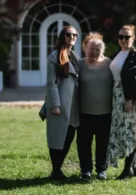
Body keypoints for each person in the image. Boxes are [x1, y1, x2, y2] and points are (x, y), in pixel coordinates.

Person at [106, 25, 136, 179]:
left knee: (131, 134)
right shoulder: (118, 54)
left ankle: (127, 170)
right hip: (116, 98)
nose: (124, 40)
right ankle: (133, 166)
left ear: (133, 38)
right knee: (123, 133)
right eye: (121, 37)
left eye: (127, 37)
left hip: (129, 99)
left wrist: (131, 99)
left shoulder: (135, 56)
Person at [45, 25, 81, 180]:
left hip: (73, 104)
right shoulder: (55, 56)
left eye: (74, 35)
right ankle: (56, 170)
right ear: (62, 36)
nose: (71, 37)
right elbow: (51, 83)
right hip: (59, 103)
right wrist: (54, 104)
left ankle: (57, 169)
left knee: (69, 135)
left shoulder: (74, 56)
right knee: (57, 137)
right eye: (68, 34)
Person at [77, 33, 113, 181]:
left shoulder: (110, 64)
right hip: (84, 112)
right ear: (85, 48)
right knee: (83, 143)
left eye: (98, 49)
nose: (94, 52)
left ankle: (101, 169)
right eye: (91, 48)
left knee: (102, 143)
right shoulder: (79, 64)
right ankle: (86, 169)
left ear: (102, 50)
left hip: (105, 112)